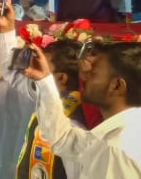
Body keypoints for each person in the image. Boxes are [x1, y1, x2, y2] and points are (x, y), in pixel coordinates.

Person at [0, 0, 86, 179]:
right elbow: (10, 71)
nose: (34, 67)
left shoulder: (80, 122)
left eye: (43, 64)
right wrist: (8, 28)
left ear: (61, 79)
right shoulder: (43, 95)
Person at [19, 40, 141, 178]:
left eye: (93, 72)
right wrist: (45, 80)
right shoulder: (125, 132)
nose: (83, 76)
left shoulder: (116, 149)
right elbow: (63, 139)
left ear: (117, 86)